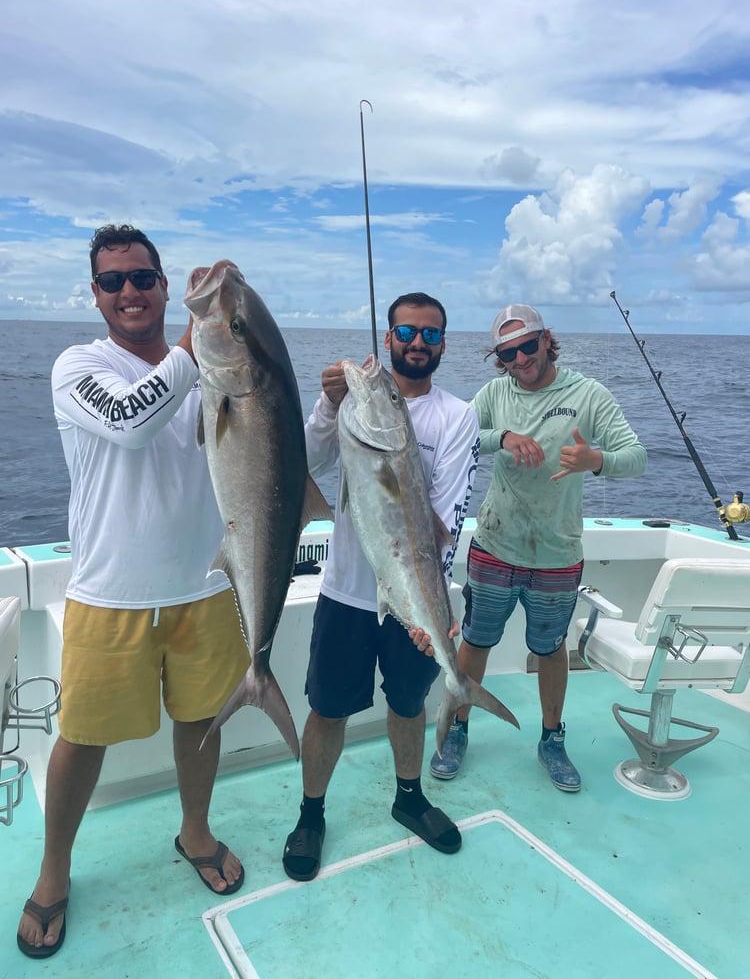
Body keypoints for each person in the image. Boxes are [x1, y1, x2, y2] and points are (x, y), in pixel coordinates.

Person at [17, 225, 250, 959]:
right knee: (81, 738)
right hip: (109, 594)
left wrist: (323, 404)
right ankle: (55, 870)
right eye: (113, 281)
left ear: (160, 284)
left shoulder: (209, 371)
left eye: (143, 278)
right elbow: (129, 422)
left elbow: (254, 444)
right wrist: (199, 341)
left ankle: (196, 830)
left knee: (202, 721)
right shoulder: (78, 365)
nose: (129, 293)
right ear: (95, 294)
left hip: (205, 586)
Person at [281, 292, 479, 882]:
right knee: (328, 708)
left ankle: (409, 796)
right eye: (406, 332)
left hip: (412, 597)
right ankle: (311, 813)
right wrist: (327, 403)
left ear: (443, 343)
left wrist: (433, 608)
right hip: (345, 591)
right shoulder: (352, 408)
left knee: (408, 702)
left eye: (431, 335)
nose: (418, 343)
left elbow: (445, 514)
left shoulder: (455, 416)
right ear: (388, 336)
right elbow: (306, 458)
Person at [428, 304, 647, 791]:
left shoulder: (588, 394)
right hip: (494, 544)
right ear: (498, 357)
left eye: (528, 346)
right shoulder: (492, 393)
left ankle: (551, 736)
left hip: (557, 553)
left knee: (551, 650)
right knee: (475, 642)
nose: (521, 359)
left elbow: (637, 457)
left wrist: (597, 459)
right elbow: (456, 440)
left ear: (547, 339)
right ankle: (458, 725)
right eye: (508, 353)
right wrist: (501, 436)